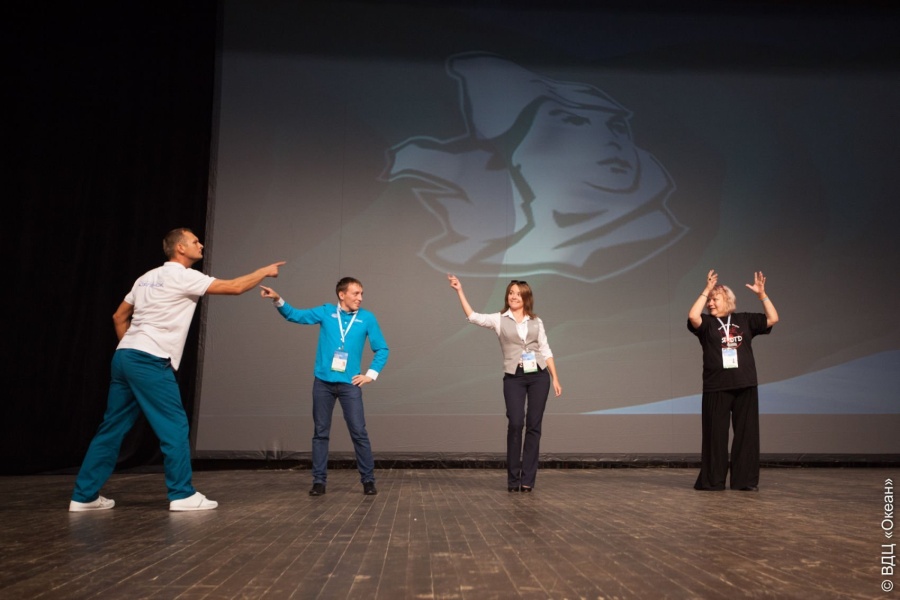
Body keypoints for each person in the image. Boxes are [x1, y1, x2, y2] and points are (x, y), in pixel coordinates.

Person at [69, 228, 285, 512]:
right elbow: (234, 287)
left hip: (125, 356)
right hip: (148, 359)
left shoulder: (145, 277)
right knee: (174, 426)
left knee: (112, 428)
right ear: (180, 248)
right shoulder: (183, 276)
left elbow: (119, 316)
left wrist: (132, 347)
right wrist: (263, 271)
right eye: (195, 241)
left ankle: (83, 497)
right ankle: (182, 495)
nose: (201, 244)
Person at [260, 277, 389, 496]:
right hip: (323, 383)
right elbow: (295, 315)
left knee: (359, 432)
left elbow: (382, 349)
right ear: (342, 294)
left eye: (361, 294)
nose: (360, 298)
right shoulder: (326, 312)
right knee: (320, 433)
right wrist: (278, 299)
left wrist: (370, 375)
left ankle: (368, 480)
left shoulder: (367, 318)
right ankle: (319, 482)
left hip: (349, 385)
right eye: (356, 293)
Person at [447, 274, 562, 492]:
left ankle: (527, 480)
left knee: (534, 425)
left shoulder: (536, 321)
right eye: (511, 293)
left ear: (526, 297)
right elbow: (473, 316)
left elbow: (546, 350)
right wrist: (459, 290)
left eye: (518, 294)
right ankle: (513, 479)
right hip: (514, 376)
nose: (513, 297)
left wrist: (555, 377)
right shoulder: (499, 319)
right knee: (516, 423)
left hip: (538, 376)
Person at [687, 269, 779, 492]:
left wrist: (762, 295)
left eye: (714, 299)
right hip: (716, 387)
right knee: (715, 436)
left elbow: (773, 318)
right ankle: (713, 481)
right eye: (709, 301)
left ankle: (744, 481)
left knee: (747, 435)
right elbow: (693, 316)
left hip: (745, 384)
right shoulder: (707, 324)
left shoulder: (744, 320)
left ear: (727, 300)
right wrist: (707, 290)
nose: (710, 304)